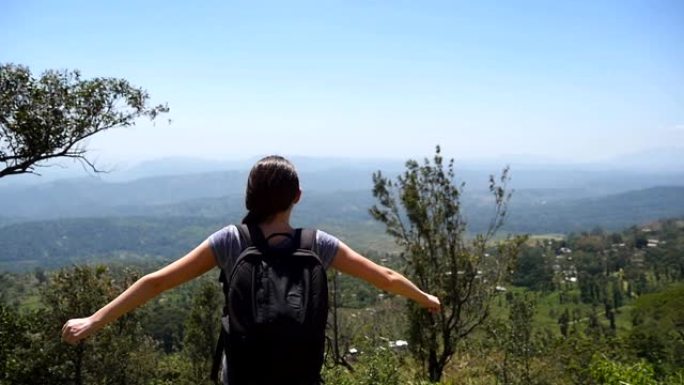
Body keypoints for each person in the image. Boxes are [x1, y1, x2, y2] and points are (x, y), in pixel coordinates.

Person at [61, 155, 441, 379]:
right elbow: (387, 278)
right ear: (297, 197)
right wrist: (425, 298)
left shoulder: (231, 240)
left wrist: (95, 320)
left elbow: (157, 283)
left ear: (250, 196)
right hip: (300, 374)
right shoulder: (317, 244)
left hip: (243, 375)